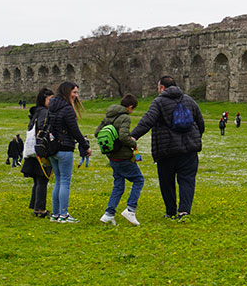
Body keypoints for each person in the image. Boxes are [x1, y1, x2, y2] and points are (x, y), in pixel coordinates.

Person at [130, 75, 204, 222]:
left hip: (167, 150)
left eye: (158, 87)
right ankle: (184, 212)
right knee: (187, 181)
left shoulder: (159, 102)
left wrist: (133, 136)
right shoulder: (189, 100)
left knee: (167, 182)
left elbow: (148, 120)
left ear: (162, 88)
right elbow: (200, 122)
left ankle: (171, 211)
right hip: (189, 150)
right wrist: (196, 138)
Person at [47, 81, 92, 223]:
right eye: (74, 92)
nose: (76, 96)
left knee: (58, 181)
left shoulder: (52, 107)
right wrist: (85, 146)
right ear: (67, 92)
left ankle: (55, 214)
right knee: (65, 181)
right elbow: (74, 130)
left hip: (53, 148)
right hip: (65, 148)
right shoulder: (67, 109)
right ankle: (64, 215)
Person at [96, 94, 144, 226]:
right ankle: (130, 209)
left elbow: (97, 133)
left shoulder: (108, 116)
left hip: (112, 157)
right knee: (139, 180)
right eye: (133, 109)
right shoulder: (125, 118)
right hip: (123, 156)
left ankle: (109, 214)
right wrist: (133, 143)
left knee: (118, 185)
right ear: (130, 107)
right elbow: (123, 137)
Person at [22, 87, 53, 218]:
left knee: (37, 180)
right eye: (50, 99)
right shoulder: (44, 112)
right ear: (43, 99)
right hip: (40, 150)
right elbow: (42, 127)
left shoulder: (36, 112)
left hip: (32, 149)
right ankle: (40, 209)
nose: (52, 102)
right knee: (42, 180)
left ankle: (36, 206)